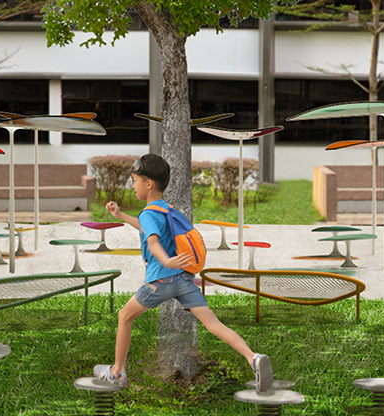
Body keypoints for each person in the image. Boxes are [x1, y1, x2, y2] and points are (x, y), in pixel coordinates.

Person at [91, 153, 273, 391]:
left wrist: (166, 260)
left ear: (148, 183)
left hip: (161, 280)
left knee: (125, 316)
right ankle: (253, 357)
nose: (133, 186)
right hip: (184, 280)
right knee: (213, 324)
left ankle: (117, 372)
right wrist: (120, 216)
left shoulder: (148, 213)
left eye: (134, 181)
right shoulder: (166, 210)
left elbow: (153, 241)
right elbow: (145, 227)